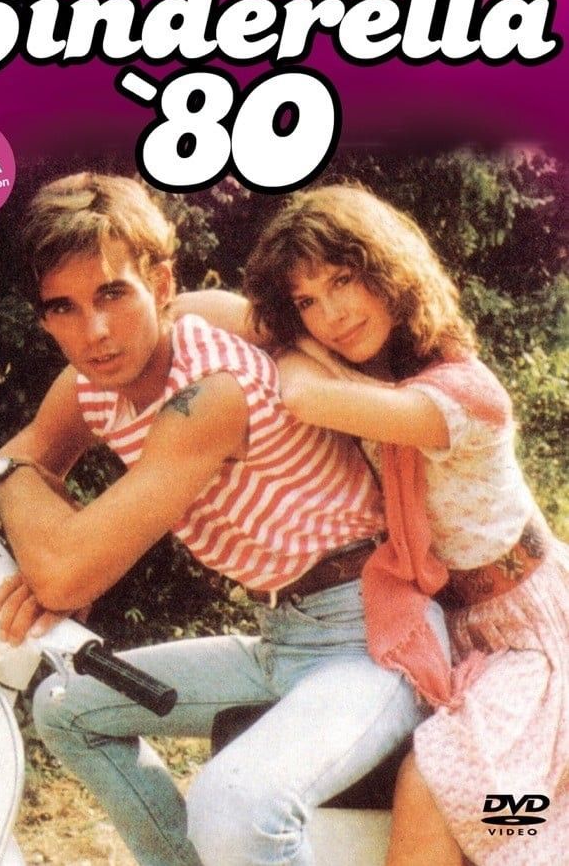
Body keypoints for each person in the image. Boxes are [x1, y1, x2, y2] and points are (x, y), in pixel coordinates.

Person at [0, 173, 450, 866]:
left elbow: (63, 567)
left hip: (371, 636)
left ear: (160, 284)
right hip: (282, 635)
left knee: (234, 807)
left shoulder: (210, 392)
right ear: (45, 319)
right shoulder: (93, 385)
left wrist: (14, 475)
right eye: (64, 308)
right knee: (67, 704)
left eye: (113, 294)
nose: (95, 332)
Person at [216, 182, 568, 866]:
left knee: (447, 787)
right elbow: (199, 308)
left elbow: (303, 396)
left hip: (532, 634)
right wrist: (285, 332)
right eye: (305, 302)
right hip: (450, 624)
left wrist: (291, 344)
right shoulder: (378, 382)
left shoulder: (461, 395)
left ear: (389, 271)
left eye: (343, 279)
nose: (332, 314)